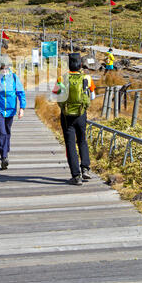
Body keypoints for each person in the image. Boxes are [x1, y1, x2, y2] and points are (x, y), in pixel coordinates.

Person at [53, 53, 96, 186]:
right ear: (80, 65)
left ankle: (76, 176)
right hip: (81, 114)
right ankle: (85, 168)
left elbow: (55, 94)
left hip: (66, 115)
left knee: (70, 144)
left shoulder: (62, 78)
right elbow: (93, 96)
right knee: (82, 140)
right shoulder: (87, 78)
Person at [0, 56, 26, 169]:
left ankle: (6, 149)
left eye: (7, 67)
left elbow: (21, 93)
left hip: (11, 110)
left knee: (7, 131)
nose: (5, 69)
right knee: (2, 132)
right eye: (3, 67)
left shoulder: (14, 78)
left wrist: (22, 108)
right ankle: (4, 157)